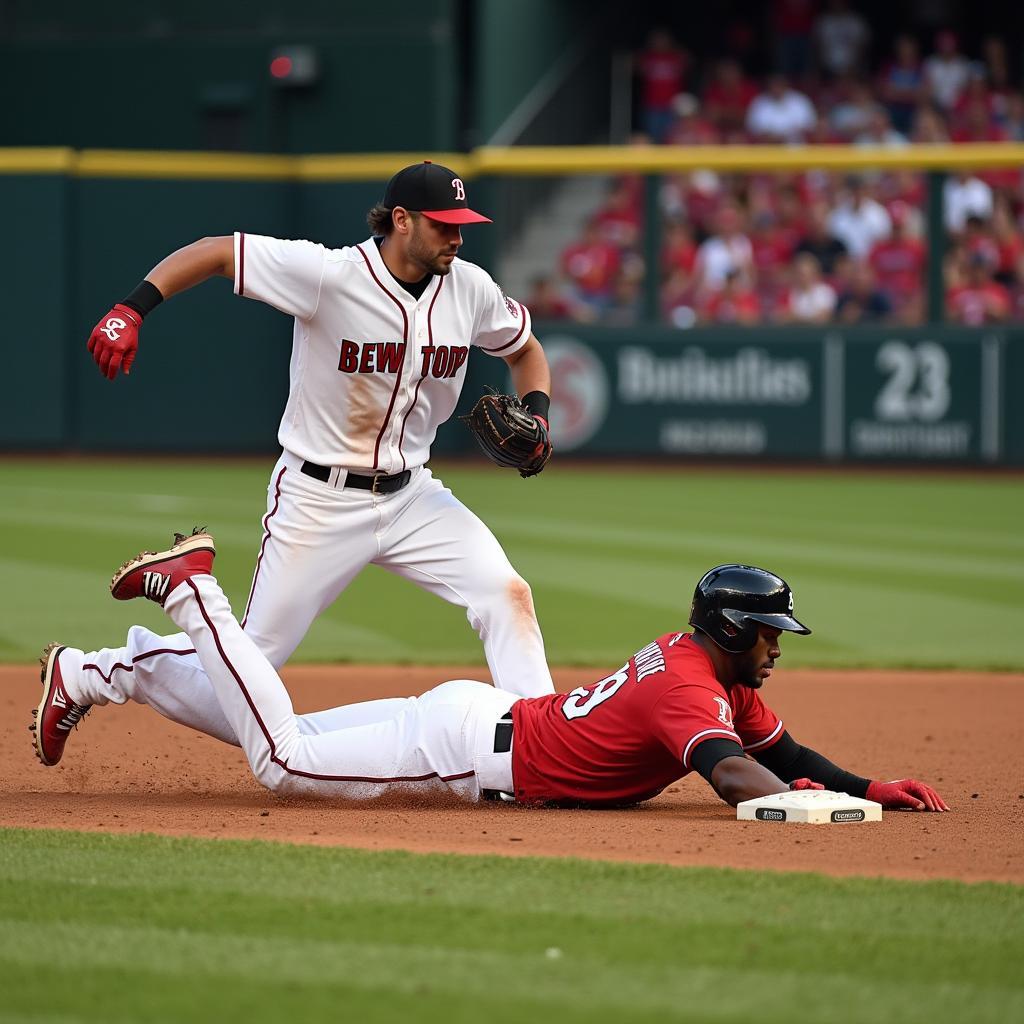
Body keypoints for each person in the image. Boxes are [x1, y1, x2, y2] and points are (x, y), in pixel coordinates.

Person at [83, 161, 556, 708]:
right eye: (442, 224)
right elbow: (215, 251)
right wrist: (130, 309)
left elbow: (524, 349)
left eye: (461, 224)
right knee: (243, 677)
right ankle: (97, 672)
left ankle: (541, 743)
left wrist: (538, 414)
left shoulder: (469, 287)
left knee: (506, 595)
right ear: (401, 220)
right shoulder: (329, 274)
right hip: (318, 498)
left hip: (413, 496)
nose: (456, 236)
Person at [31, 532, 950, 814]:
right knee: (279, 761)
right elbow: (738, 777)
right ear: (732, 631)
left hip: (481, 718)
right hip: (472, 748)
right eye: (771, 633)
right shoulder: (687, 688)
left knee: (282, 732)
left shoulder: (716, 675)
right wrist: (825, 817)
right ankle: (193, 598)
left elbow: (783, 752)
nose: (780, 646)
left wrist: (867, 786)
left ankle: (94, 672)